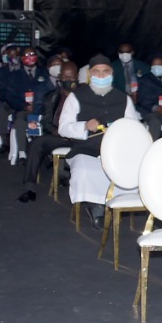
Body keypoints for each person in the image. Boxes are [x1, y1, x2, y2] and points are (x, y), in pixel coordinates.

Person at [58, 55, 137, 227]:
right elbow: (63, 127)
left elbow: (134, 127)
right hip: (86, 149)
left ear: (111, 74)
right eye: (96, 72)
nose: (101, 76)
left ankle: (118, 203)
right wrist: (84, 126)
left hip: (116, 151)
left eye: (105, 72)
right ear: (89, 74)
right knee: (84, 170)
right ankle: (96, 206)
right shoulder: (76, 97)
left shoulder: (123, 98)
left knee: (130, 170)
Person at [18, 61, 78, 203]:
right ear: (60, 78)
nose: (68, 80)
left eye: (71, 77)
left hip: (79, 136)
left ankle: (68, 178)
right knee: (36, 144)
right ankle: (29, 188)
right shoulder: (52, 97)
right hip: (58, 135)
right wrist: (56, 131)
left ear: (76, 77)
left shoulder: (85, 96)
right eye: (65, 77)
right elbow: (46, 121)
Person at [0, 46, 53, 159]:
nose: (30, 57)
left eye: (32, 54)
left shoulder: (44, 73)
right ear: (22, 58)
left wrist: (41, 105)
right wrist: (24, 106)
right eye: (27, 55)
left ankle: (48, 153)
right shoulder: (15, 75)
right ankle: (22, 153)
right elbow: (10, 96)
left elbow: (51, 92)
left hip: (42, 109)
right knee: (20, 120)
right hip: (24, 109)